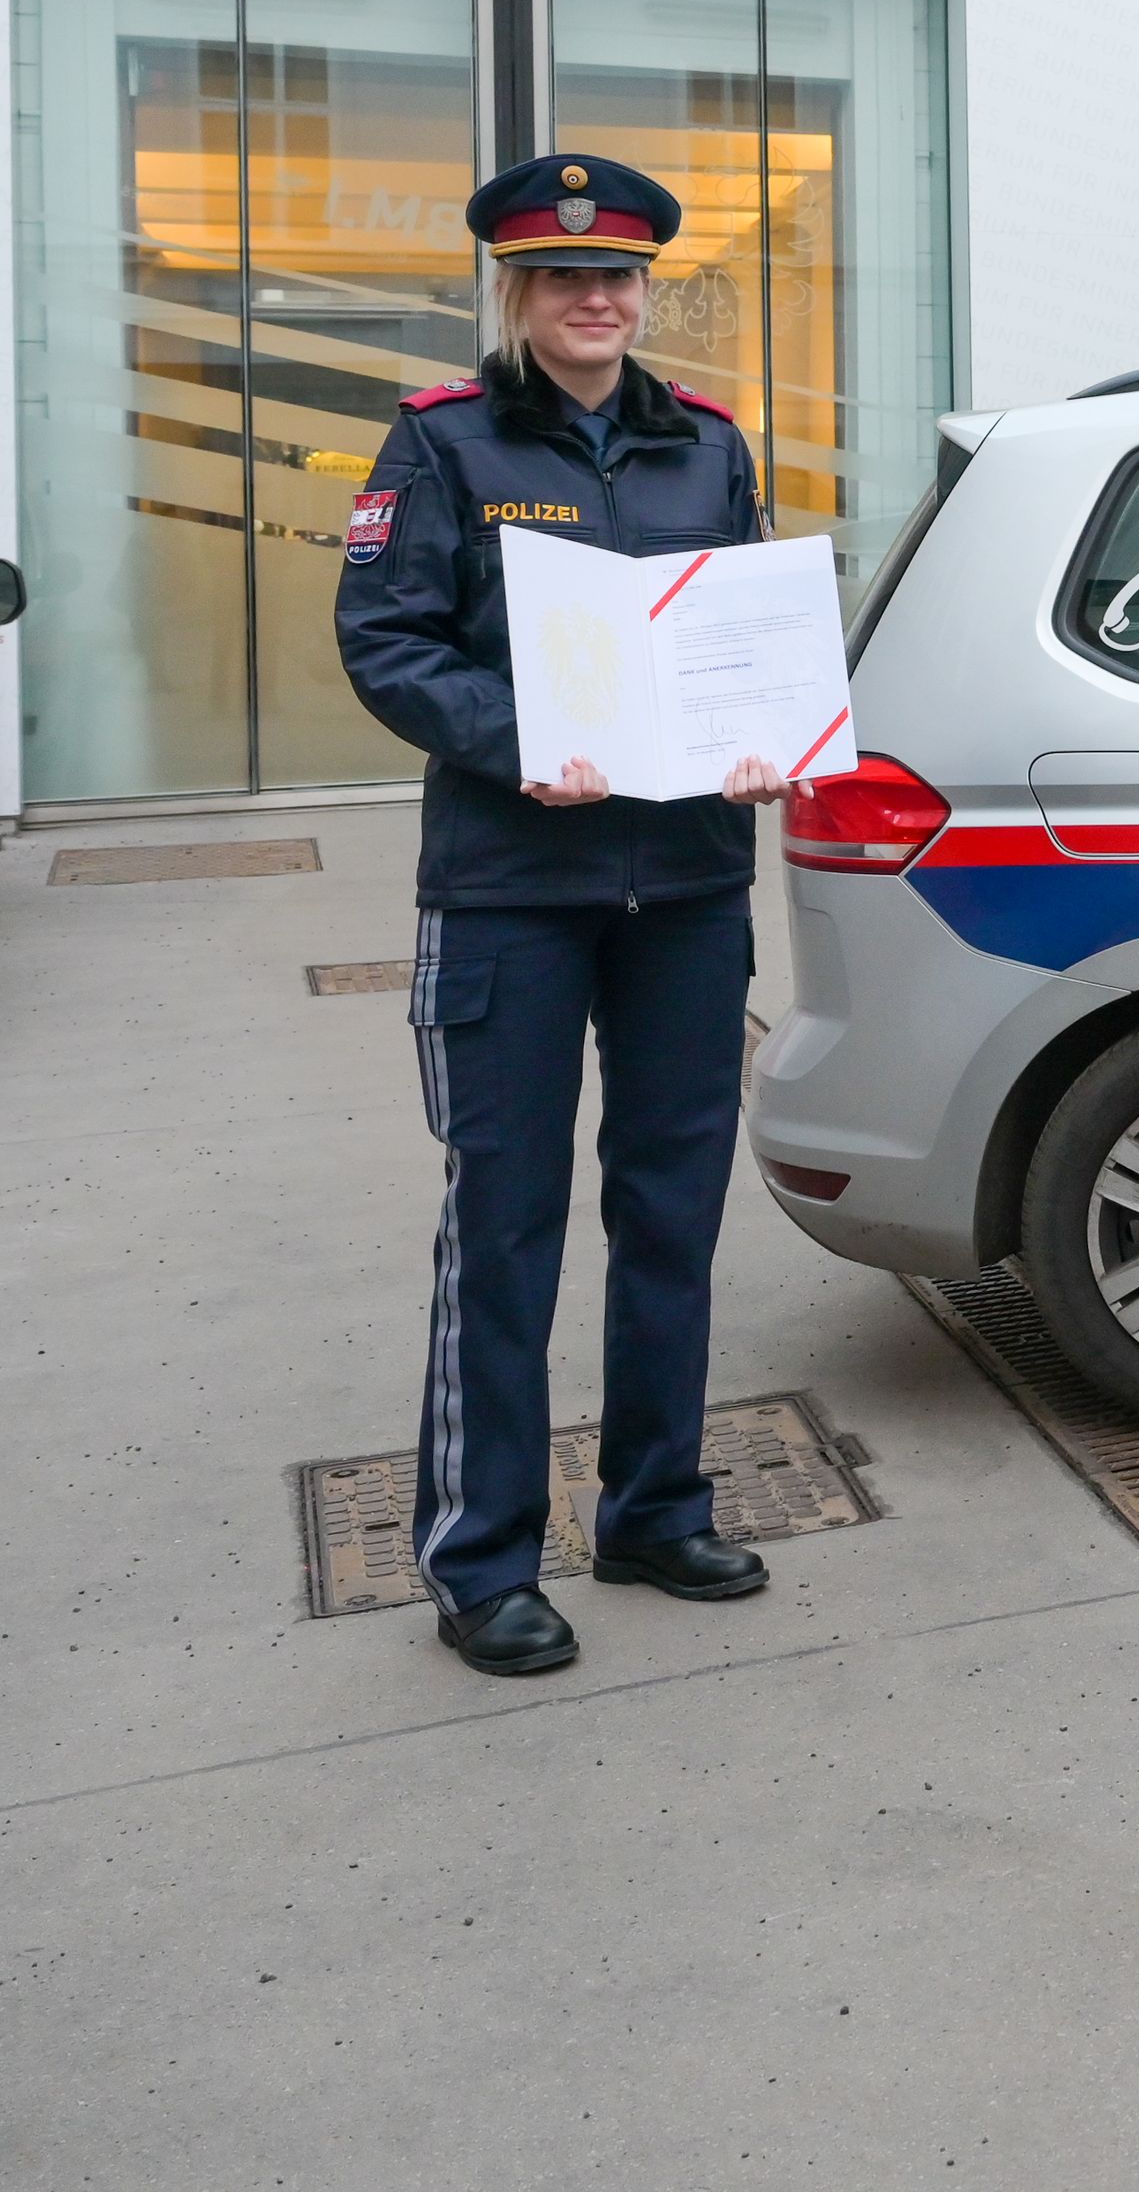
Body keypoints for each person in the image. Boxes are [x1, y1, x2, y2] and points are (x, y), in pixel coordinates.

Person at [335, 154, 785, 1677]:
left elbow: (745, 639)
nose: (594, 299)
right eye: (560, 279)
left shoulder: (707, 447)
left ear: (647, 291)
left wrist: (770, 735)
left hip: (686, 891)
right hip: (511, 891)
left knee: (670, 1217)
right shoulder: (442, 445)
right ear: (515, 297)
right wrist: (526, 733)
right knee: (506, 1229)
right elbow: (385, 645)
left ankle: (656, 1507)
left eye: (618, 279)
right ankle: (484, 1560)